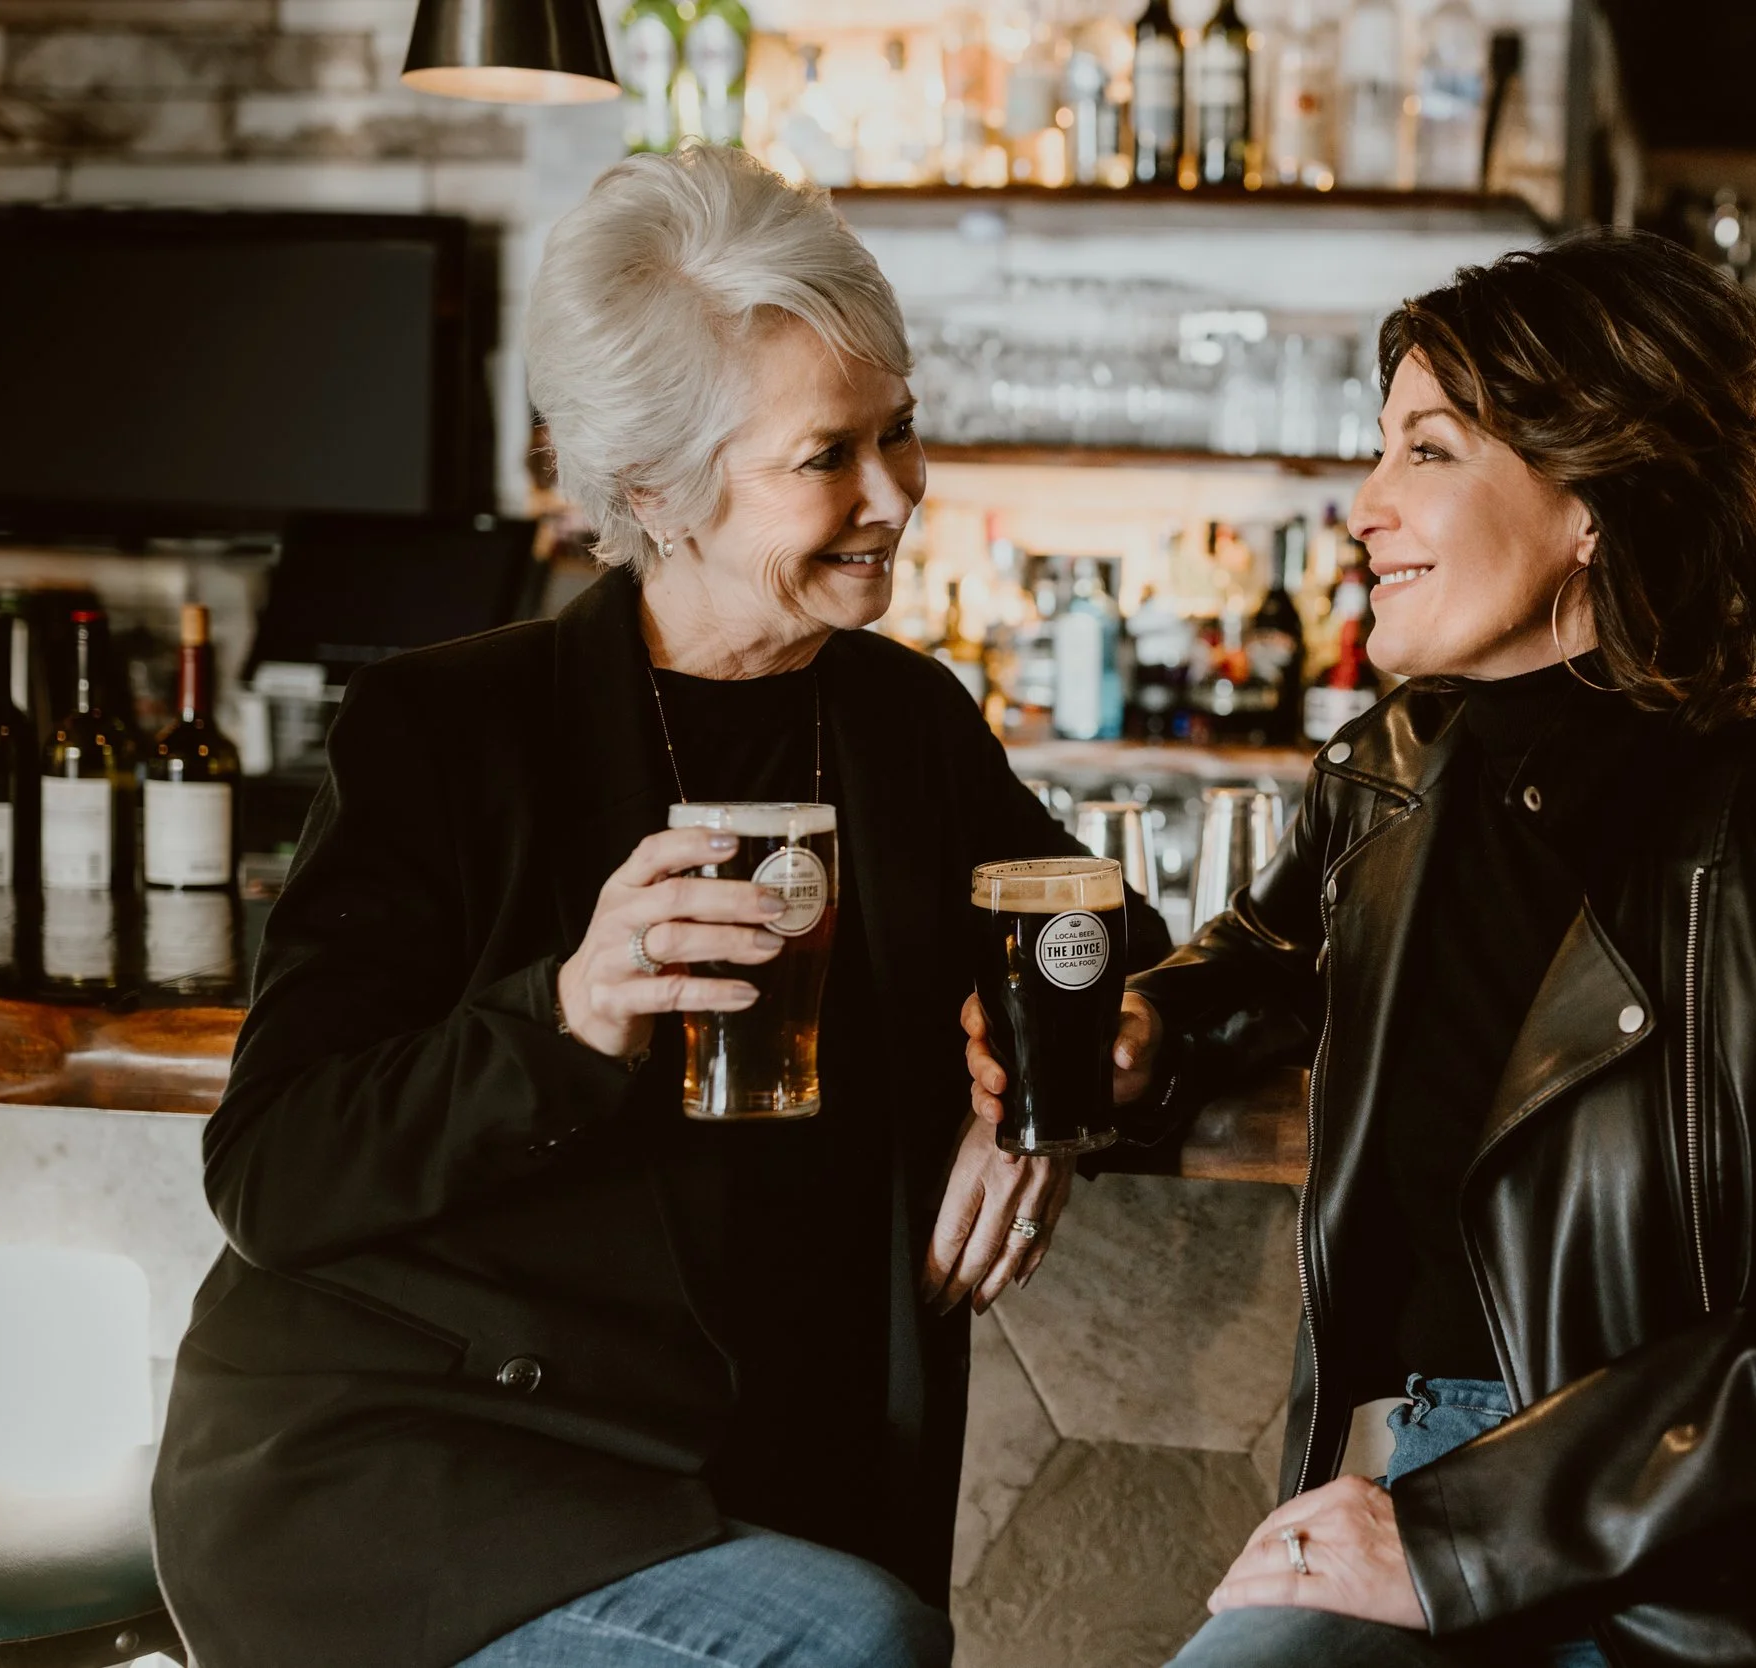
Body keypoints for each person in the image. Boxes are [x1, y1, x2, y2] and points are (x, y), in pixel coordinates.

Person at [962, 230, 1756, 1668]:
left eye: (1429, 451)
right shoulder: (1390, 770)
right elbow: (1279, 957)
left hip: (1698, 1556)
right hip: (1388, 1486)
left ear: (1595, 495)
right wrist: (1148, 1030)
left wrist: (1462, 1530)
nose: (1364, 505)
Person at [152, 145, 1166, 1668]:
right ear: (654, 490)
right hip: (417, 1473)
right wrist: (569, 1014)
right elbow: (276, 1170)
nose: (896, 495)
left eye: (903, 433)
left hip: (735, 1470)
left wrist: (1054, 1092)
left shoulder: (901, 722)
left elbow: (1095, 933)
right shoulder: (450, 730)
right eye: (826, 456)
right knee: (852, 1651)